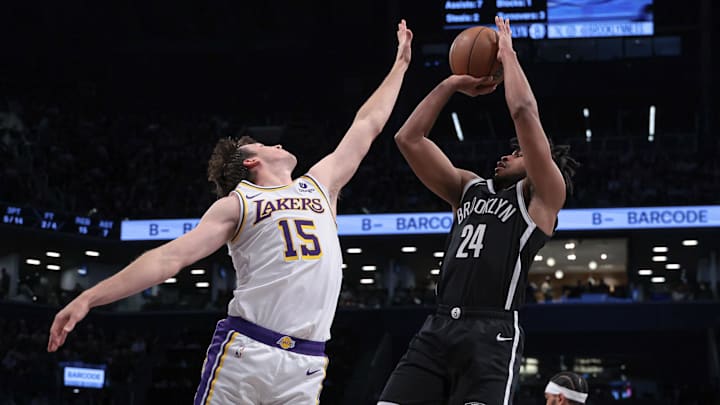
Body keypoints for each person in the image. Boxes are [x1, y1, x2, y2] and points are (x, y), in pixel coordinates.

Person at [48, 19, 413, 404]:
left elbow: (367, 124)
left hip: (306, 362)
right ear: (251, 162)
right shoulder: (238, 203)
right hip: (247, 352)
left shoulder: (319, 184)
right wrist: (89, 298)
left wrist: (400, 66)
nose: (278, 144)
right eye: (267, 145)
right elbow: (169, 258)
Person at [378, 17, 578, 405]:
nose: (508, 153)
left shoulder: (543, 196)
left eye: (518, 152)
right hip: (437, 326)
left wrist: (508, 54)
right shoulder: (467, 188)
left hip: (493, 332)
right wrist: (451, 84)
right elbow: (408, 138)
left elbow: (523, 111)